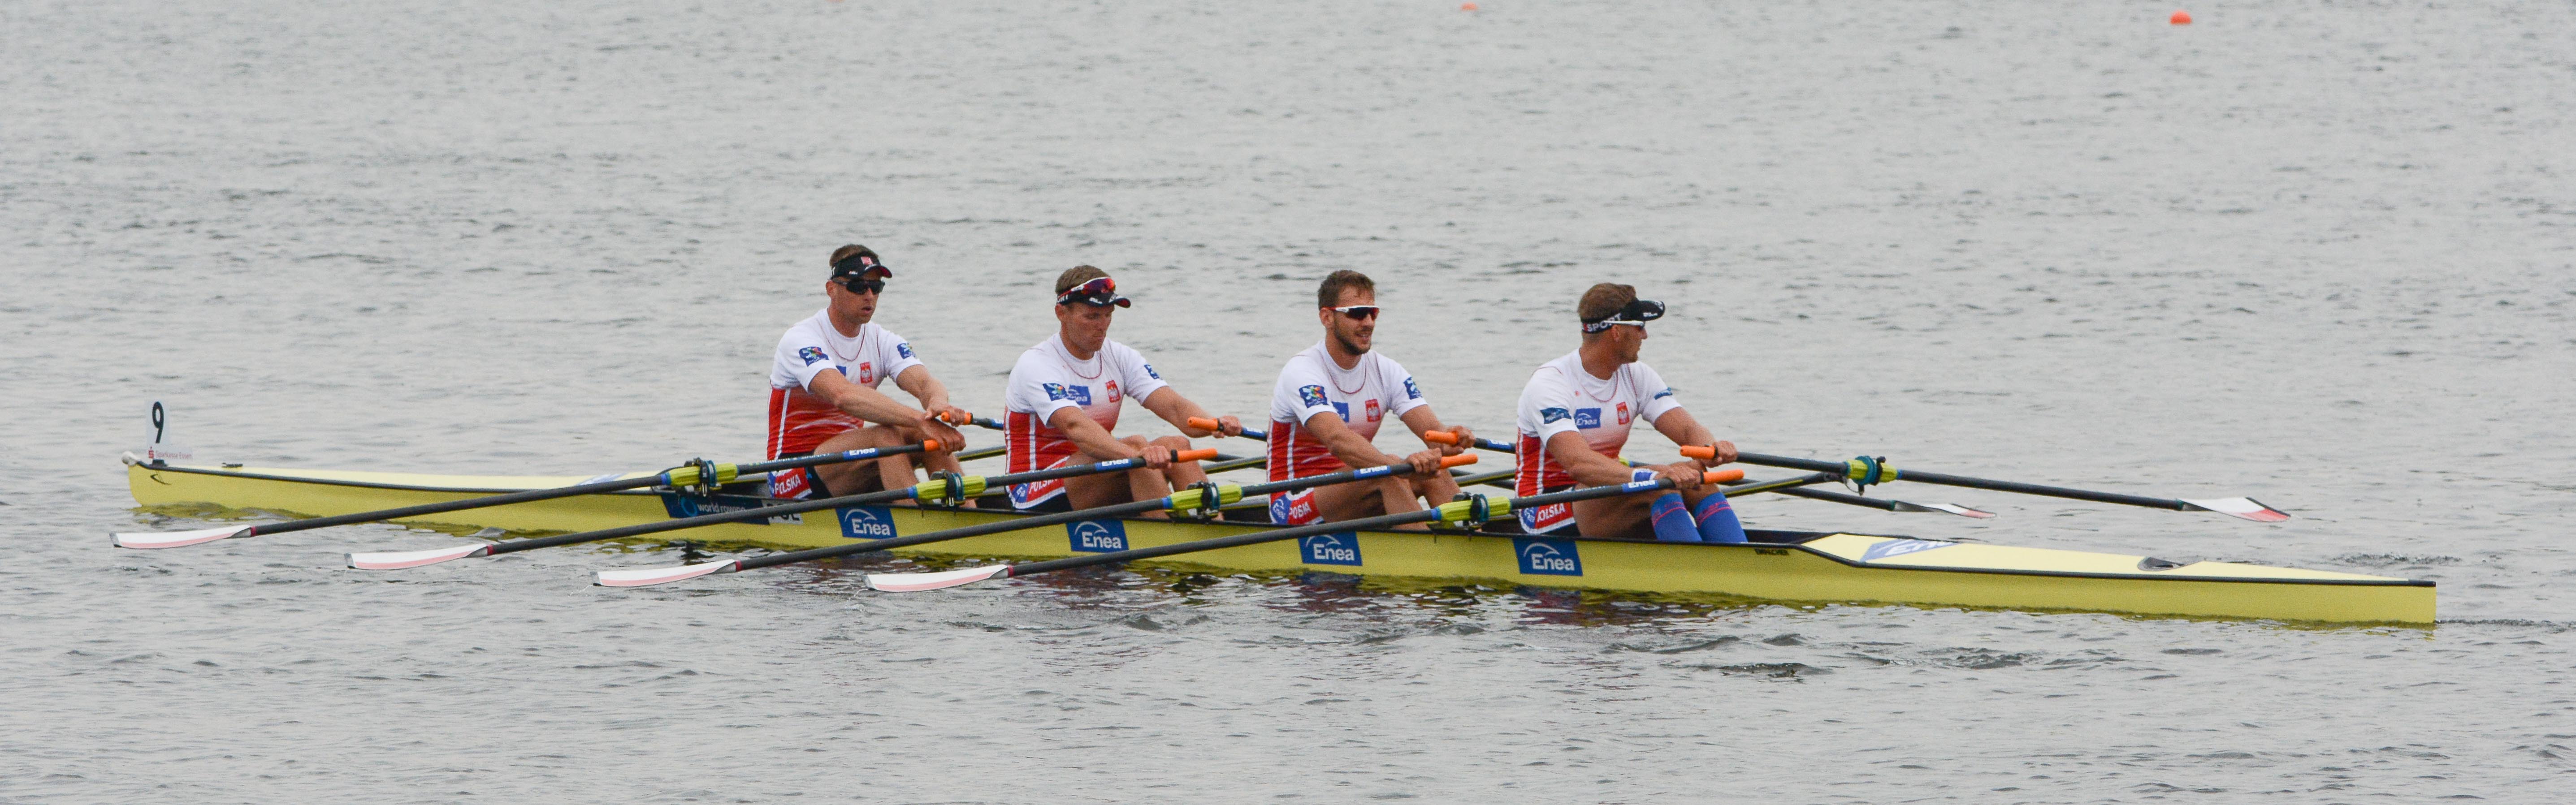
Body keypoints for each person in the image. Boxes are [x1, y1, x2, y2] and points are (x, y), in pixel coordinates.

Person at [1511, 283, 1746, 542]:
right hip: (1543, 506)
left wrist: (1709, 448)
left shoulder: (1636, 375)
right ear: (1616, 332)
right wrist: (1652, 476)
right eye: (1640, 326)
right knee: (1658, 487)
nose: (1645, 335)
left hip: (1605, 491)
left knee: (1696, 477)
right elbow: (1578, 464)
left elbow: (1687, 428)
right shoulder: (1550, 384)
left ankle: (1739, 556)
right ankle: (1694, 563)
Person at [1002, 266, 1243, 515]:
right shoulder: (1037, 363)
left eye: (1108, 315)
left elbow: (1174, 407)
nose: (1102, 326)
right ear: (1061, 313)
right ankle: (1164, 533)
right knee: (1137, 451)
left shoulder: (1119, 356)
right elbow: (1075, 427)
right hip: (1032, 488)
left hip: (1096, 472)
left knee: (1178, 445)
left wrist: (1214, 424)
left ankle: (1212, 528)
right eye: (1092, 317)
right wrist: (1137, 455)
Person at [1264, 270, 1472, 528]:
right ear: (1327, 317)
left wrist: (1451, 438)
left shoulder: (1387, 370)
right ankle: (1426, 550)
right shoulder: (1303, 372)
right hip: (1294, 501)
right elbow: (1337, 440)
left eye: (1373, 313)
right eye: (1357, 313)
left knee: (1433, 471)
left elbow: (1434, 435)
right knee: (1387, 472)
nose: (1369, 323)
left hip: (1354, 488)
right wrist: (1397, 465)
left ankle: (1468, 540)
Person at [764, 245, 970, 500]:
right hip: (793, 472)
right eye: (858, 287)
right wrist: (921, 419)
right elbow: (842, 395)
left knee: (930, 434)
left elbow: (924, 382)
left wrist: (937, 403)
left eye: (876, 287)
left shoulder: (883, 340)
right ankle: (914, 518)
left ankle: (966, 512)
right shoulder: (802, 339)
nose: (869, 296)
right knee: (887, 435)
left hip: (852, 461)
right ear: (831, 289)